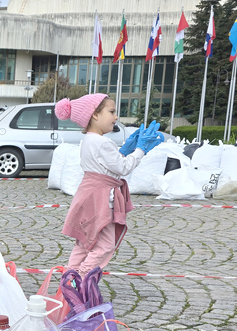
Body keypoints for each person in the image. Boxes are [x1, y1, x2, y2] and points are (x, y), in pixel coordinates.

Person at [57, 94, 163, 275]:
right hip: (100, 200)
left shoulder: (89, 140)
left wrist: (124, 150)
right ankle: (80, 280)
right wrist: (140, 149)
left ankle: (69, 277)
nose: (116, 117)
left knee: (85, 242)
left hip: (88, 196)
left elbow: (107, 165)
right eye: (112, 112)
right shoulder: (102, 142)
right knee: (105, 245)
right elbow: (123, 167)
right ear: (95, 115)